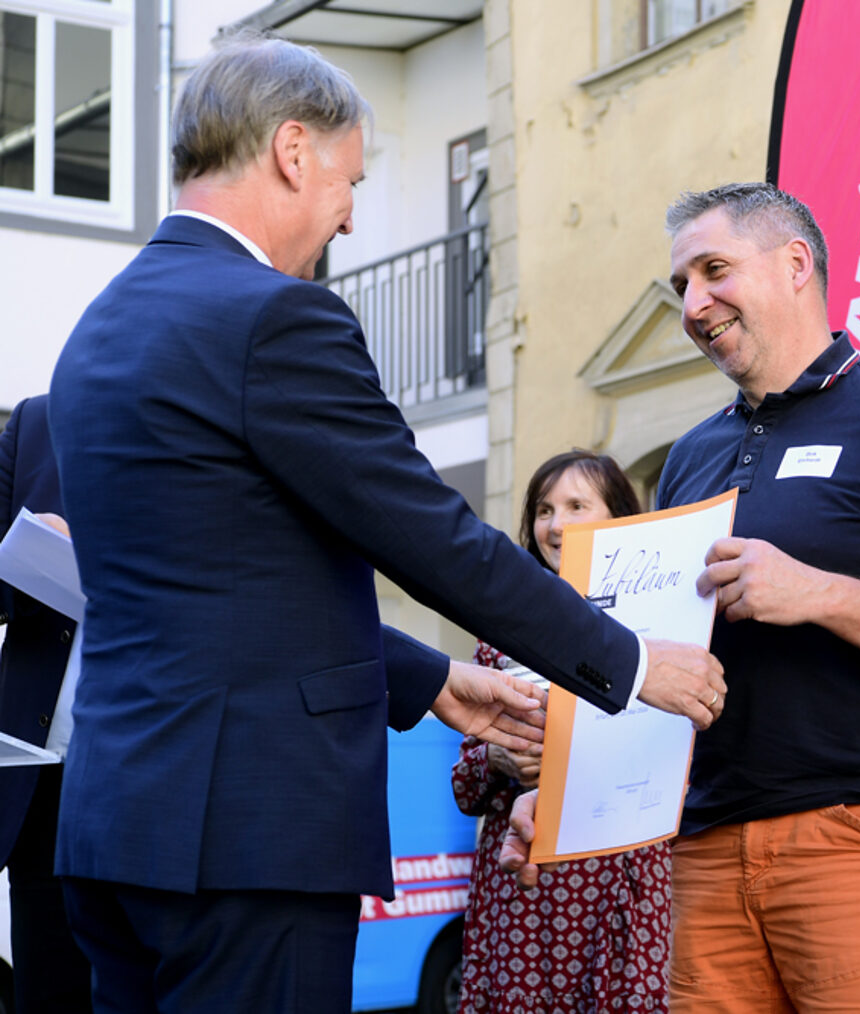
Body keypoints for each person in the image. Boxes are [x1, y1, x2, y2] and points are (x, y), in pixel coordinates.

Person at [45, 34, 723, 1014]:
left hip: (118, 828)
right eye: (348, 181)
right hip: (249, 840)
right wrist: (627, 663)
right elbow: (427, 534)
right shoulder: (273, 318)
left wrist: (435, 679)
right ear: (291, 151)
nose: (351, 217)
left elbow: (218, 583)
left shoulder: (98, 329)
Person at [506, 182, 860, 1013]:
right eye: (682, 284)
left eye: (714, 270)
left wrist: (817, 592)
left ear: (796, 266)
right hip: (707, 851)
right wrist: (572, 793)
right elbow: (661, 664)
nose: (693, 303)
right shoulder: (689, 457)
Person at [456, 450, 673, 1013]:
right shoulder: (499, 631)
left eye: (578, 505)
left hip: (623, 878)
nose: (557, 525)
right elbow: (462, 786)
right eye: (545, 510)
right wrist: (496, 760)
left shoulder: (661, 629)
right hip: (525, 891)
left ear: (618, 516)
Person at [0, 395, 93, 1013]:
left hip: (166, 775)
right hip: (43, 791)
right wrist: (37, 555)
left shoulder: (221, 416)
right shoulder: (38, 422)